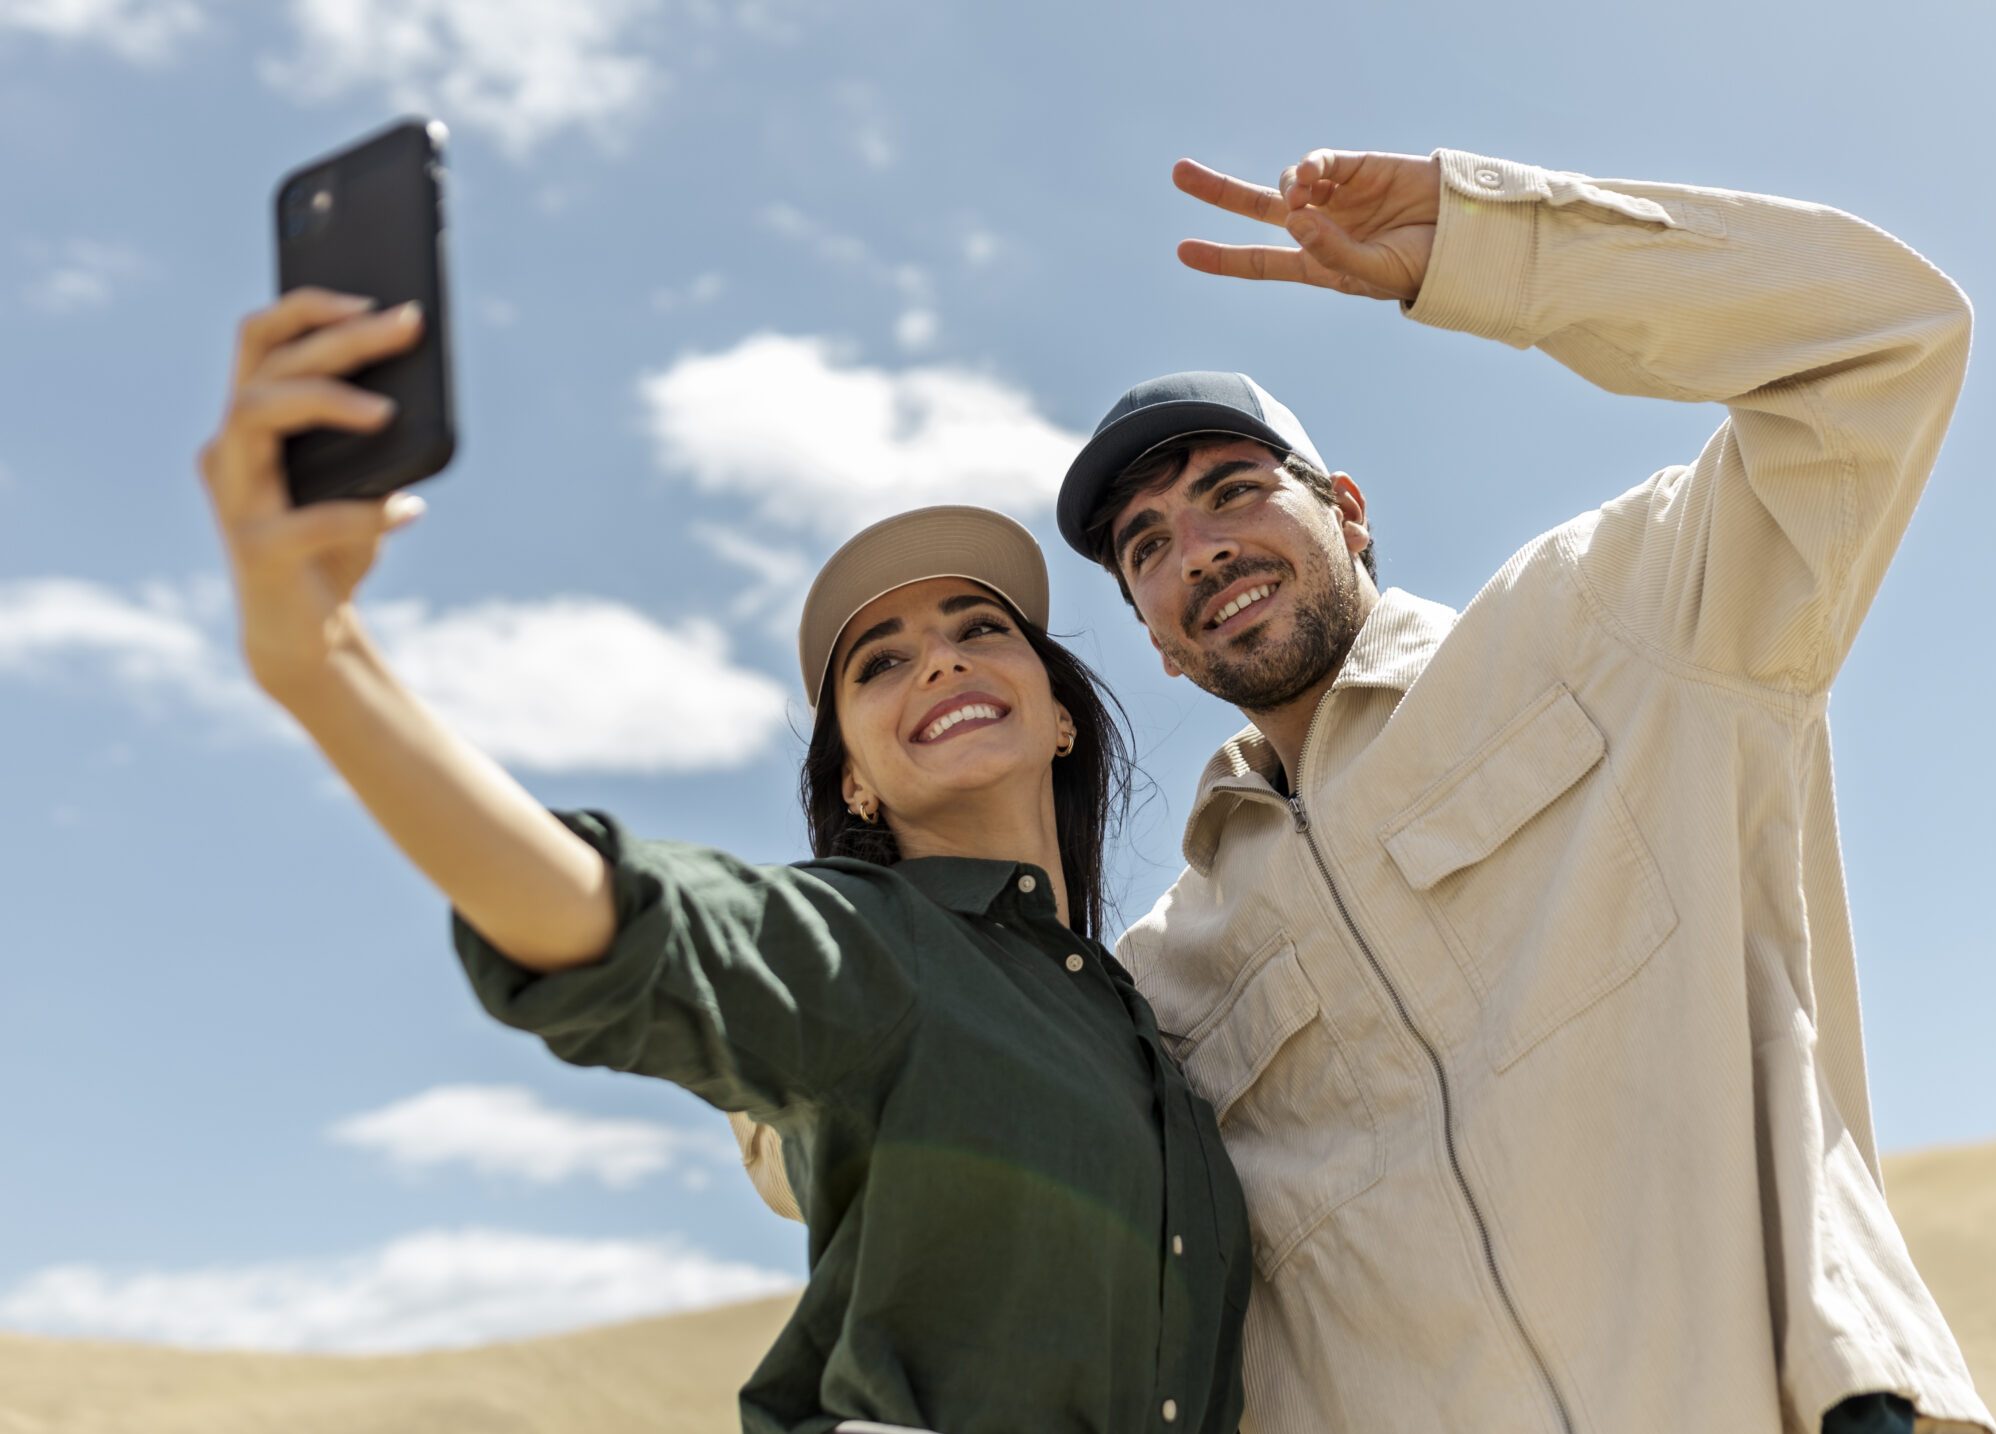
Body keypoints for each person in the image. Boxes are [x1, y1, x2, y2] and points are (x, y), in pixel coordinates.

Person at [1055, 149, 1996, 1433]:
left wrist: (1493, 248)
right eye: (1146, 548)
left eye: (1233, 490)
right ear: (1158, 640)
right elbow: (912, 1112)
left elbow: (1881, 341)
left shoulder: (1618, 626)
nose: (1200, 547)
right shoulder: (1166, 977)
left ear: (1346, 510)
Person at [193, 288, 1249, 1434]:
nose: (939, 662)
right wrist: (323, 665)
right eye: (879, 663)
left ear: (1058, 716)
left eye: (978, 627)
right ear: (851, 778)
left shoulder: (1141, 1018)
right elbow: (621, 920)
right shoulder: (867, 949)